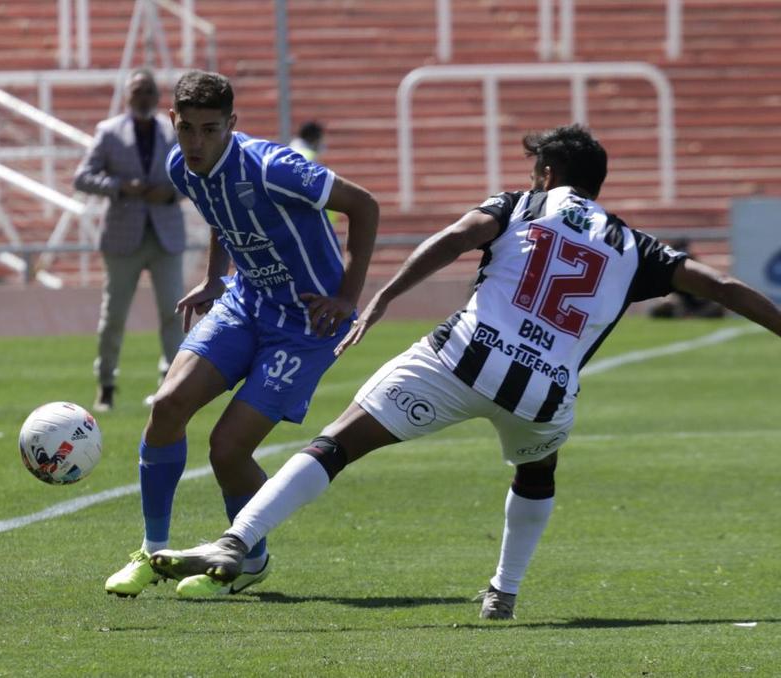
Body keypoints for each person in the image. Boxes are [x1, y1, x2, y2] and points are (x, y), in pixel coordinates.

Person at [149, 124, 781, 618]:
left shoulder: (524, 205)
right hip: (544, 395)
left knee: (337, 443)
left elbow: (455, 237)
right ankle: (503, 592)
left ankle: (238, 542)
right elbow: (720, 284)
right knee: (537, 471)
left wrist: (382, 298)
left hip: (461, 358)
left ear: (547, 173)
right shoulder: (635, 244)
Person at [104, 70, 380, 599]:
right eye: (188, 129)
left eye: (211, 130)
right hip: (246, 300)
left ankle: (248, 558)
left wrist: (347, 296)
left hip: (304, 326)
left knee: (227, 449)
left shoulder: (277, 168)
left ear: (232, 124)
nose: (197, 142)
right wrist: (214, 277)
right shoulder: (182, 167)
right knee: (166, 406)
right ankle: (151, 551)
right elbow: (220, 211)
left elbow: (364, 206)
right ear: (173, 122)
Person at [74, 69, 186, 412]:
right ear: (127, 96)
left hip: (165, 233)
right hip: (123, 236)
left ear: (158, 97)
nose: (143, 97)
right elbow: (83, 177)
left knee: (174, 311)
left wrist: (169, 193)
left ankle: (171, 385)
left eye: (149, 91)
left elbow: (194, 175)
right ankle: (106, 384)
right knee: (114, 315)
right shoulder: (109, 132)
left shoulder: (173, 132)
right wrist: (122, 187)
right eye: (138, 91)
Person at [648, 238, 725, 318]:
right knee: (667, 302)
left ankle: (693, 317)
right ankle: (684, 317)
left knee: (717, 305)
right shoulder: (666, 268)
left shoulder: (696, 268)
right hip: (678, 305)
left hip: (695, 305)